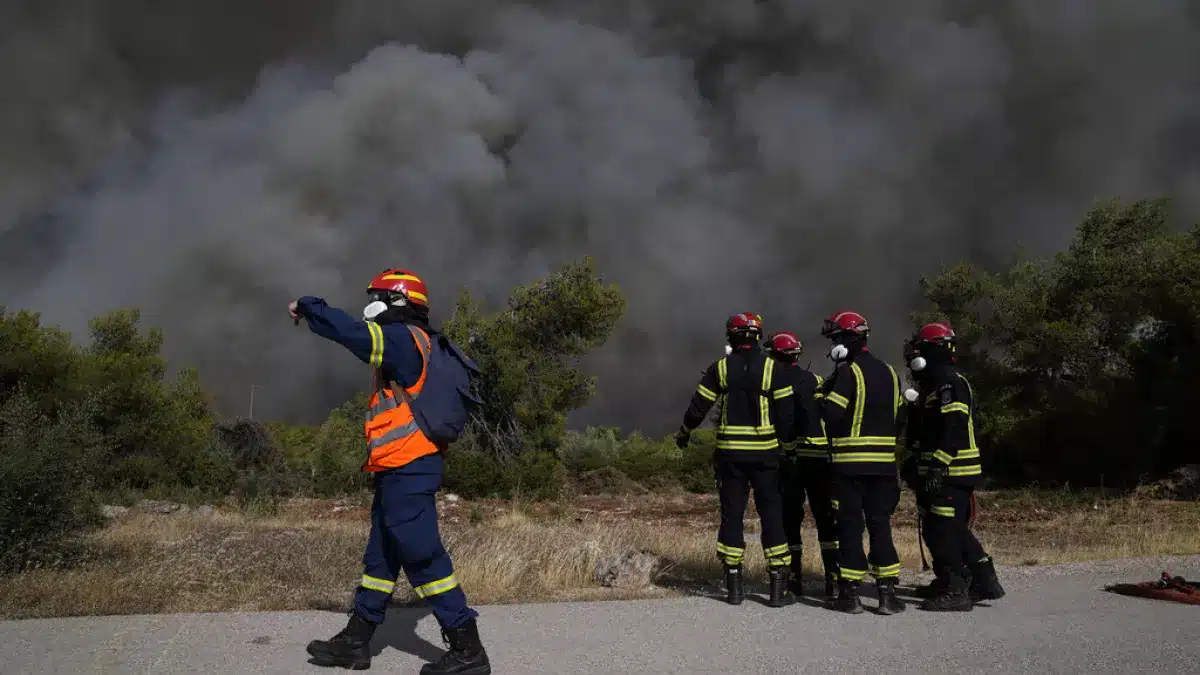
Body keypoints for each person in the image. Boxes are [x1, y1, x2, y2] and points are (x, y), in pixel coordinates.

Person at [292, 268, 491, 675]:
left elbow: (354, 334)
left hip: (409, 467)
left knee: (423, 558)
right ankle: (356, 640)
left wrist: (310, 307)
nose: (371, 304)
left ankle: (468, 648)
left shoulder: (402, 340)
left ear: (397, 301)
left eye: (377, 296)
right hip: (397, 469)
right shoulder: (418, 342)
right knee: (380, 559)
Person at [675, 312, 796, 607]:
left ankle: (734, 587)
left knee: (732, 516)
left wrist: (685, 430)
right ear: (758, 336)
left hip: (731, 457)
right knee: (772, 516)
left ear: (731, 336)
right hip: (766, 456)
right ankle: (778, 588)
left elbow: (699, 405)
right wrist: (788, 447)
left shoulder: (721, 368)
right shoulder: (773, 369)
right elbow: (787, 415)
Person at [902, 321, 1005, 611]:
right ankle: (975, 579)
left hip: (952, 471)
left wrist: (938, 464)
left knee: (944, 529)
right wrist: (914, 462)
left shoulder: (950, 383)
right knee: (946, 528)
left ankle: (958, 589)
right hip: (940, 471)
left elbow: (955, 428)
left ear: (933, 351)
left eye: (920, 350)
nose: (914, 357)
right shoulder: (933, 386)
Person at [817, 310, 906, 615]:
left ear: (847, 341)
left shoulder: (847, 373)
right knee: (881, 526)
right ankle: (886, 595)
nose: (833, 346)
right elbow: (900, 419)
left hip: (850, 466)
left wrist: (820, 398)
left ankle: (850, 595)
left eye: (836, 339)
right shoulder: (891, 373)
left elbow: (831, 414)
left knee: (851, 528)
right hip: (883, 467)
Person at [764, 331, 840, 600]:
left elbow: (780, 421)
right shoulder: (815, 379)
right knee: (826, 519)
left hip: (792, 459)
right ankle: (834, 580)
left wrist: (786, 450)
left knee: (789, 520)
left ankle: (793, 580)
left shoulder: (773, 382)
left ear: (774, 355)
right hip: (820, 458)